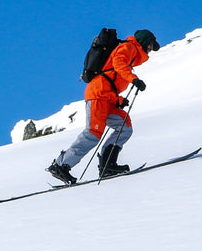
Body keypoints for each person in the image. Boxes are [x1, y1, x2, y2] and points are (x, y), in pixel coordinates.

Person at [47, 29, 160, 184]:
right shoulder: (129, 48)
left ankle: (108, 165)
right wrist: (133, 79)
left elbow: (111, 81)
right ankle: (61, 165)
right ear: (144, 41)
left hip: (106, 97)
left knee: (124, 126)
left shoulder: (132, 55)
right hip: (98, 95)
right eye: (151, 45)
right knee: (93, 133)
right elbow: (118, 64)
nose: (151, 49)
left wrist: (118, 100)